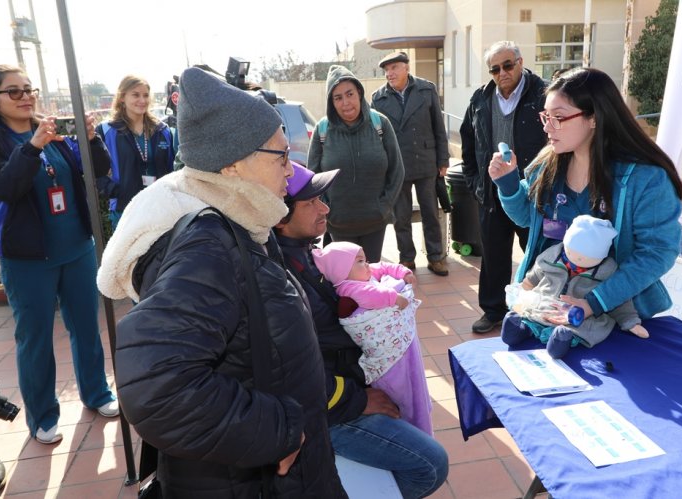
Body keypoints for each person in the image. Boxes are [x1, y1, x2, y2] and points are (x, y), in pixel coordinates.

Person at [96, 68, 346, 498]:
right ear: (232, 165)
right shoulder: (209, 247)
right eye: (281, 156)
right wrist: (280, 431)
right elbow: (157, 386)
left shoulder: (243, 220)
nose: (291, 169)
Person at [275, 163, 449, 499]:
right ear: (280, 217)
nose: (324, 208)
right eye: (311, 202)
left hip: (347, 387)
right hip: (327, 411)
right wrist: (357, 400)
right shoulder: (281, 278)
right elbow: (296, 370)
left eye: (322, 198)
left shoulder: (307, 255)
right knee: (430, 464)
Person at [489, 67, 682, 332]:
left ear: (594, 118)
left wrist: (592, 303)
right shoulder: (546, 164)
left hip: (615, 318)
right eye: (545, 116)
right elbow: (528, 219)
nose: (547, 127)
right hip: (544, 307)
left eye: (558, 117)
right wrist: (509, 184)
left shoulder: (645, 179)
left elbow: (656, 253)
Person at [0, 64, 118, 445]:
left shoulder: (53, 131)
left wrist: (93, 139)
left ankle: (97, 393)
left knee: (86, 326)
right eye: (14, 91)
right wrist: (32, 147)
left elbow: (98, 171)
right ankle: (44, 415)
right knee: (34, 338)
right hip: (26, 258)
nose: (26, 96)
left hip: (77, 247)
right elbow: (7, 188)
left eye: (28, 88)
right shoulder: (8, 141)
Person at [460, 40, 548, 334]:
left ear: (521, 62)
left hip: (532, 193)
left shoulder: (544, 94)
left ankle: (537, 308)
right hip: (492, 191)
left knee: (536, 253)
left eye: (508, 65)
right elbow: (469, 143)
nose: (502, 73)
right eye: (494, 69)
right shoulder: (479, 99)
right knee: (494, 254)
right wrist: (475, 181)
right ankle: (493, 310)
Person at [312, 241, 433, 436]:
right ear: (342, 270)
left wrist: (403, 272)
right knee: (401, 393)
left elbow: (382, 266)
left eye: (365, 259)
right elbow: (370, 295)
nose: (367, 265)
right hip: (385, 355)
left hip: (398, 341)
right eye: (360, 261)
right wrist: (394, 298)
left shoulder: (361, 274)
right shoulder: (347, 288)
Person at [502, 215, 649, 359]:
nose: (576, 259)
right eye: (571, 251)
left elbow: (619, 300)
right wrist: (523, 289)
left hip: (580, 317)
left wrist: (631, 322)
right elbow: (535, 275)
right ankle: (520, 330)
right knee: (531, 316)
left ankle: (560, 341)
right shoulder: (551, 256)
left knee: (576, 330)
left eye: (584, 257)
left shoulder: (608, 272)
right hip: (545, 306)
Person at [308, 64, 404, 263]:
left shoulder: (381, 124)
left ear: (359, 93)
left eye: (349, 94)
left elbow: (397, 171)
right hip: (339, 224)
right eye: (338, 98)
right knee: (346, 282)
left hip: (375, 222)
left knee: (371, 277)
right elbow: (313, 179)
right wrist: (329, 209)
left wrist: (384, 206)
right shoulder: (322, 130)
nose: (346, 103)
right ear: (331, 102)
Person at [371, 51, 450, 276]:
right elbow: (377, 136)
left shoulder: (427, 89)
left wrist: (443, 159)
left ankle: (436, 257)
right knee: (401, 217)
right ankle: (407, 259)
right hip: (397, 166)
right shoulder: (379, 97)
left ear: (407, 67)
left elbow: (438, 126)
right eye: (386, 70)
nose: (389, 73)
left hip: (426, 161)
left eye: (394, 67)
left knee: (430, 214)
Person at [96, 75, 176, 230]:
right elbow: (96, 171)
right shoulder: (106, 130)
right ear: (122, 98)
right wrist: (116, 191)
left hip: (160, 207)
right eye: (135, 95)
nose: (142, 100)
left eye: (146, 95)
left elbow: (171, 168)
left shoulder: (162, 130)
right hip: (125, 210)